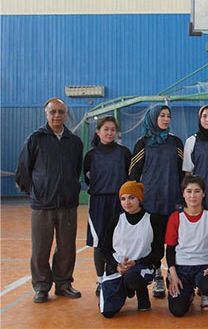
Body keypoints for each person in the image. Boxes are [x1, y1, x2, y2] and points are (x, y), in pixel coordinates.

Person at [15, 97, 83, 303]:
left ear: (66, 114)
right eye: (53, 112)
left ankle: (63, 284)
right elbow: (23, 171)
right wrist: (37, 193)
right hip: (42, 204)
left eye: (61, 112)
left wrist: (70, 189)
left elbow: (75, 170)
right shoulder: (35, 139)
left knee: (66, 246)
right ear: (46, 114)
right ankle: (42, 286)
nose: (57, 116)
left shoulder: (75, 142)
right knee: (41, 247)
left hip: (67, 204)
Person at [129, 102, 184, 298]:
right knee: (153, 243)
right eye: (162, 115)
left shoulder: (176, 142)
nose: (166, 119)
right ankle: (157, 276)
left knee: (174, 242)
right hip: (150, 202)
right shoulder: (142, 143)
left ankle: (173, 275)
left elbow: (181, 172)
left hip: (172, 200)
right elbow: (133, 175)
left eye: (168, 116)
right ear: (153, 117)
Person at [99, 181, 164, 318]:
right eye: (123, 198)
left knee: (132, 277)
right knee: (108, 312)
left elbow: (158, 252)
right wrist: (116, 266)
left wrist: (136, 262)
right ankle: (121, 291)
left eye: (131, 197)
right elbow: (104, 250)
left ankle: (142, 296)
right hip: (118, 267)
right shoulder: (116, 220)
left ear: (139, 198)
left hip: (141, 267)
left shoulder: (152, 220)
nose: (127, 202)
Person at [84, 116, 131, 296]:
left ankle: (117, 277)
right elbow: (88, 178)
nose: (109, 133)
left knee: (119, 241)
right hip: (98, 202)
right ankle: (101, 280)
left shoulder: (124, 153)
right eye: (106, 129)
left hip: (119, 202)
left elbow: (129, 176)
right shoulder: (90, 155)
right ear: (98, 132)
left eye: (113, 129)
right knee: (99, 242)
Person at [165, 175, 208, 317]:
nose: (193, 195)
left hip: (204, 267)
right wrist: (173, 275)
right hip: (181, 268)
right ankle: (188, 293)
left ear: (203, 194)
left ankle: (206, 294)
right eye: (189, 191)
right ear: (183, 194)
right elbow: (170, 250)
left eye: (197, 191)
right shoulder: (175, 217)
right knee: (178, 310)